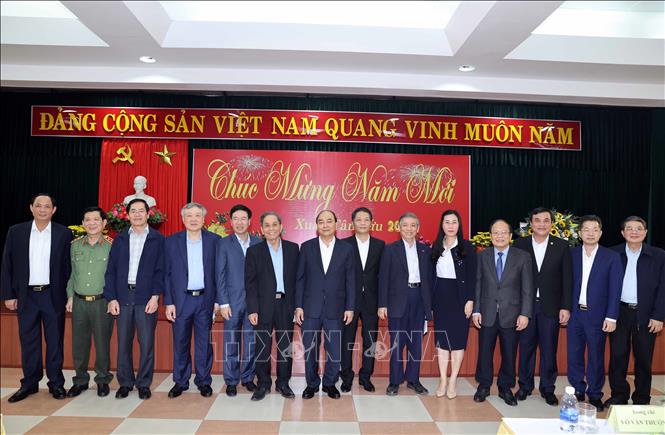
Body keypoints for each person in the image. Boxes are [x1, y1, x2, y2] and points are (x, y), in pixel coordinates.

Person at [2, 194, 72, 402]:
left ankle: (56, 383)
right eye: (38, 206)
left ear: (54, 210)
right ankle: (30, 383)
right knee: (28, 340)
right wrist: (8, 294)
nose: (43, 209)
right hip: (26, 296)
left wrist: (69, 295)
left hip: (53, 295)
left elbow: (68, 267)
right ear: (31, 207)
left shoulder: (63, 233)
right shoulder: (16, 232)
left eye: (47, 206)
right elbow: (7, 264)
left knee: (55, 341)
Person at [104, 198, 165, 400]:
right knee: (123, 342)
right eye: (133, 211)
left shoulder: (158, 239)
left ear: (148, 214)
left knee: (146, 343)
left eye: (141, 211)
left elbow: (161, 271)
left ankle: (144, 383)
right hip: (123, 296)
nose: (137, 214)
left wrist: (155, 297)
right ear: (127, 215)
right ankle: (125, 383)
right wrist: (111, 298)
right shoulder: (120, 239)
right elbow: (111, 271)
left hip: (146, 298)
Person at [513, 207, 572, 406]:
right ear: (531, 223)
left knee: (549, 350)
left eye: (546, 220)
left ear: (551, 224)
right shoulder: (520, 244)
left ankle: (548, 389)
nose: (541, 224)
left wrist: (565, 307)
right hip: (526, 308)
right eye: (537, 220)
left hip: (551, 307)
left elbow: (567, 279)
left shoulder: (562, 246)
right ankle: (525, 386)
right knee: (526, 348)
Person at [472, 219, 533, 406]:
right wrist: (476, 310)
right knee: (484, 352)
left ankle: (505, 387)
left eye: (503, 232)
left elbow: (527, 288)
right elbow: (478, 284)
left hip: (512, 314)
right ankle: (484, 385)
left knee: (509, 353)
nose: (499, 236)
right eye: (495, 233)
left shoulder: (522, 257)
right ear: (490, 236)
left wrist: (525, 313)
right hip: (487, 312)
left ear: (510, 235)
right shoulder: (482, 256)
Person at [295, 209, 355, 400]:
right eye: (321, 221)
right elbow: (300, 279)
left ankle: (329, 383)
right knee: (310, 349)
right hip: (310, 307)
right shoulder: (307, 247)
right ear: (317, 225)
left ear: (336, 224)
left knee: (334, 349)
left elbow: (351, 280)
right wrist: (298, 306)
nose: (325, 225)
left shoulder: (346, 249)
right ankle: (312, 384)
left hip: (336, 308)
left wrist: (350, 307)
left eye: (329, 221)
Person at [605, 216, 664, 406]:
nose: (634, 232)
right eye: (629, 228)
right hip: (619, 312)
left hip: (646, 314)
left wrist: (658, 316)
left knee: (644, 358)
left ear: (645, 232)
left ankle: (642, 398)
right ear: (623, 233)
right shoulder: (612, 253)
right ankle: (619, 395)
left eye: (639, 228)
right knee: (618, 356)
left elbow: (663, 288)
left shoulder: (659, 255)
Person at [164, 203, 220, 398]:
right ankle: (180, 381)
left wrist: (217, 300)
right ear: (183, 219)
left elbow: (219, 273)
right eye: (189, 216)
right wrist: (169, 302)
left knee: (204, 344)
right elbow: (166, 274)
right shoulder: (171, 241)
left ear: (204, 219)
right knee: (180, 343)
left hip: (205, 300)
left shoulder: (215, 241)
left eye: (197, 215)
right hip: (181, 301)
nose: (193, 219)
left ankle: (204, 381)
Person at [567, 215, 622, 411]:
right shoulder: (571, 254)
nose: (590, 233)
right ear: (579, 233)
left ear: (600, 233)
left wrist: (611, 316)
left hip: (598, 316)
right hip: (575, 314)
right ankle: (577, 390)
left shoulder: (611, 257)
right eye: (586, 229)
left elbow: (615, 289)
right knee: (574, 354)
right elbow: (565, 284)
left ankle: (595, 394)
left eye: (595, 229)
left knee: (596, 357)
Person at [245, 212, 299, 401]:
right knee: (262, 346)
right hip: (263, 305)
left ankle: (283, 383)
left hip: (286, 304)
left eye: (274, 224)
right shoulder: (254, 251)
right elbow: (250, 283)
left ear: (281, 227)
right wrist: (252, 309)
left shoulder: (293, 249)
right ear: (261, 229)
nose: (271, 228)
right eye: (267, 225)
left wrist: (297, 306)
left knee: (285, 346)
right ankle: (263, 384)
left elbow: (298, 280)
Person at [378, 212, 432, 396]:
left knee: (416, 343)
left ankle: (413, 380)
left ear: (418, 228)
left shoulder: (425, 250)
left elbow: (429, 279)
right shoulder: (390, 249)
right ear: (398, 228)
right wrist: (382, 304)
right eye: (405, 225)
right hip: (397, 300)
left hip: (419, 298)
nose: (409, 229)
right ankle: (394, 381)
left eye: (413, 225)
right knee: (397, 342)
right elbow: (383, 278)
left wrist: (429, 305)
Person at [65, 206, 114, 398]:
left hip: (102, 302)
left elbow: (115, 275)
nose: (92, 223)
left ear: (104, 223)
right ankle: (80, 380)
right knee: (79, 344)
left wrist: (113, 299)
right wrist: (70, 296)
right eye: (88, 220)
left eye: (96, 220)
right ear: (83, 223)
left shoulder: (111, 245)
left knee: (102, 344)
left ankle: (102, 380)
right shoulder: (75, 245)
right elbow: (72, 273)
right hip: (79, 301)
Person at [430, 209, 476, 399]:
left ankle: (453, 381)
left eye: (454, 222)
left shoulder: (467, 247)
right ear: (442, 225)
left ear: (459, 225)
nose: (450, 226)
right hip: (440, 297)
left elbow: (473, 276)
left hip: (460, 298)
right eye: (447, 222)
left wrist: (470, 300)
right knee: (442, 341)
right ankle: (442, 379)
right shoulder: (435, 247)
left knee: (457, 341)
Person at [216, 204, 261, 396]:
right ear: (231, 222)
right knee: (231, 342)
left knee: (251, 341)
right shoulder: (224, 243)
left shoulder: (258, 242)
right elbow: (220, 274)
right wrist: (223, 303)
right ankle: (231, 380)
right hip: (231, 303)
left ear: (249, 221)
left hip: (253, 303)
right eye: (236, 219)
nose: (240, 222)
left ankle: (248, 378)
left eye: (243, 219)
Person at [340, 207, 385, 393]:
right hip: (349, 301)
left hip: (372, 300)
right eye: (359, 220)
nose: (363, 223)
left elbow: (383, 276)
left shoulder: (380, 245)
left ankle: (366, 376)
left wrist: (382, 303)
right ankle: (346, 377)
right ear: (353, 223)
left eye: (366, 219)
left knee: (370, 340)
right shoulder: (344, 244)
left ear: (372, 223)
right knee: (346, 340)